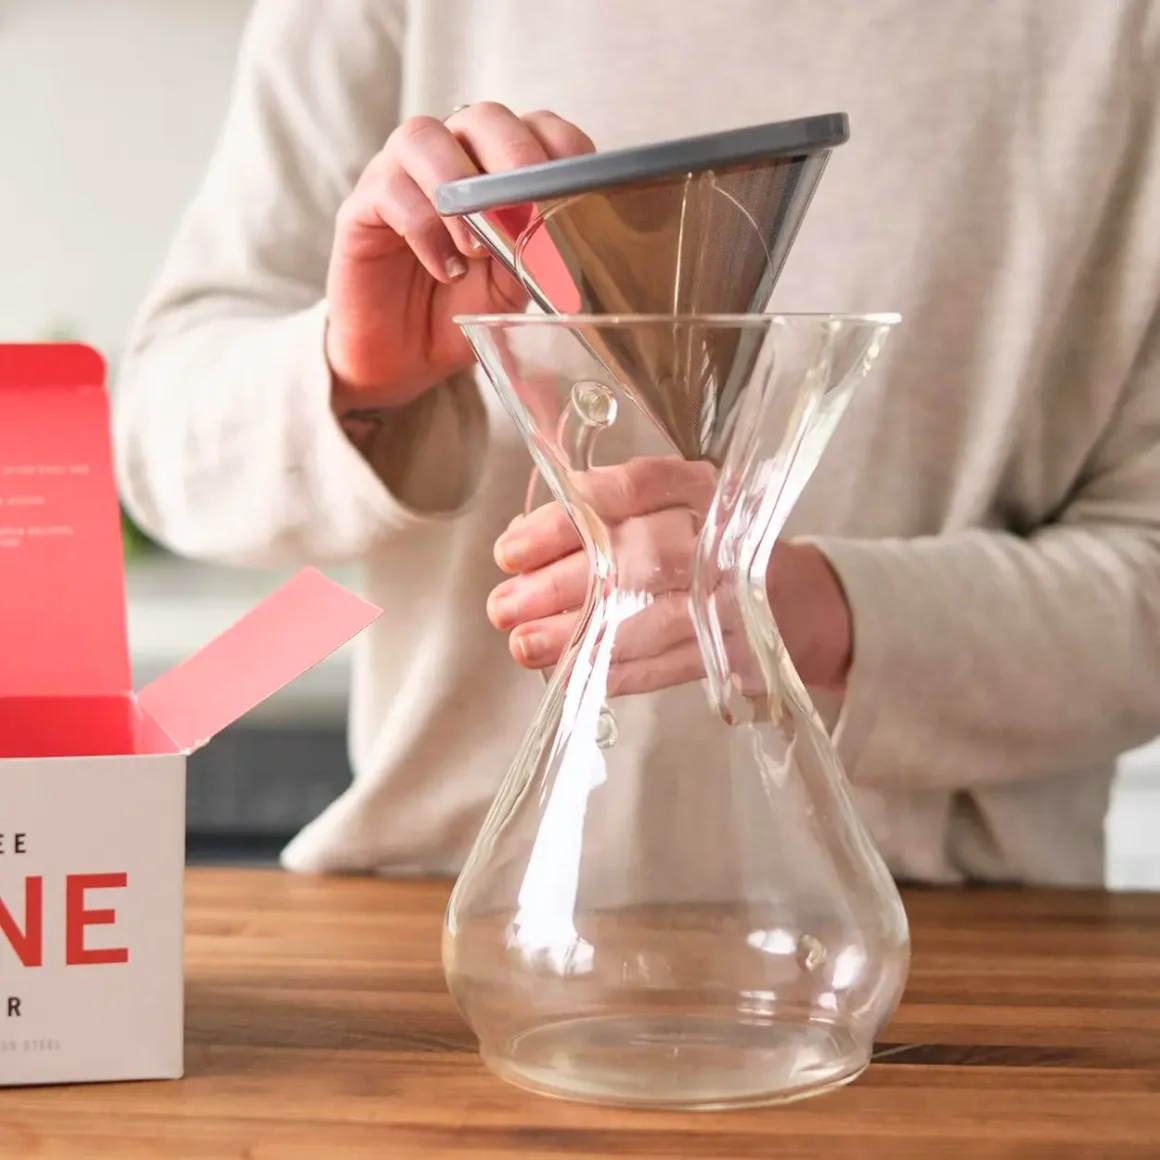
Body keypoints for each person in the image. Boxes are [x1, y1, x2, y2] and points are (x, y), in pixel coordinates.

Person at [114, 0, 1160, 886]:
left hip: (960, 940)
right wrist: (360, 370)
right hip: (453, 902)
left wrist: (809, 607)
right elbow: (161, 449)